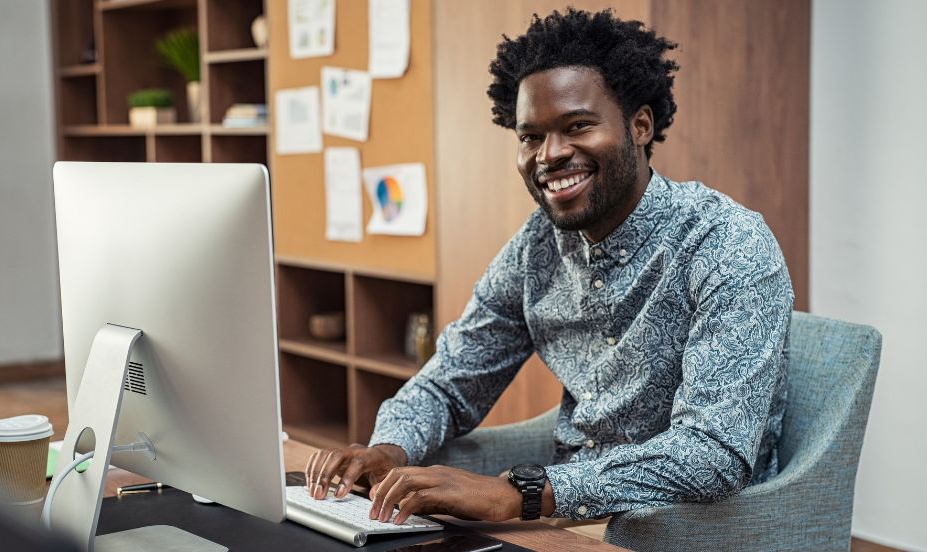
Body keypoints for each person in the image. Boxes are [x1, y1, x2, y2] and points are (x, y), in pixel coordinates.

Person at [306, 8, 793, 531]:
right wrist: (391, 447)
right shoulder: (538, 245)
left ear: (640, 125)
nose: (549, 155)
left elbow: (712, 454)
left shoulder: (726, 244)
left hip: (688, 527)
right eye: (530, 136)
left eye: (577, 126)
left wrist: (525, 494)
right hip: (562, 516)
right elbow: (451, 380)